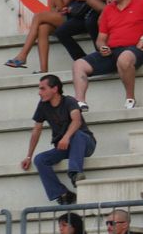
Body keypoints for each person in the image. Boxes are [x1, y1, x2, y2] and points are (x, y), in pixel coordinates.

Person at [70, 0, 143, 111]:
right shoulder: (108, 9)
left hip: (135, 50)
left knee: (124, 58)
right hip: (112, 52)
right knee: (78, 64)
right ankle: (80, 102)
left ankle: (130, 99)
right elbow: (101, 39)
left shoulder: (141, 2)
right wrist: (102, 47)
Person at [22, 74, 96, 205]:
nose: (39, 92)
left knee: (77, 134)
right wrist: (28, 156)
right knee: (40, 160)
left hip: (85, 143)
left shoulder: (69, 101)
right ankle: (63, 193)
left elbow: (77, 121)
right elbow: (37, 130)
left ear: (55, 89)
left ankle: (75, 173)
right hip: (65, 146)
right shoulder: (43, 105)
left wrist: (66, 137)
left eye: (43, 88)